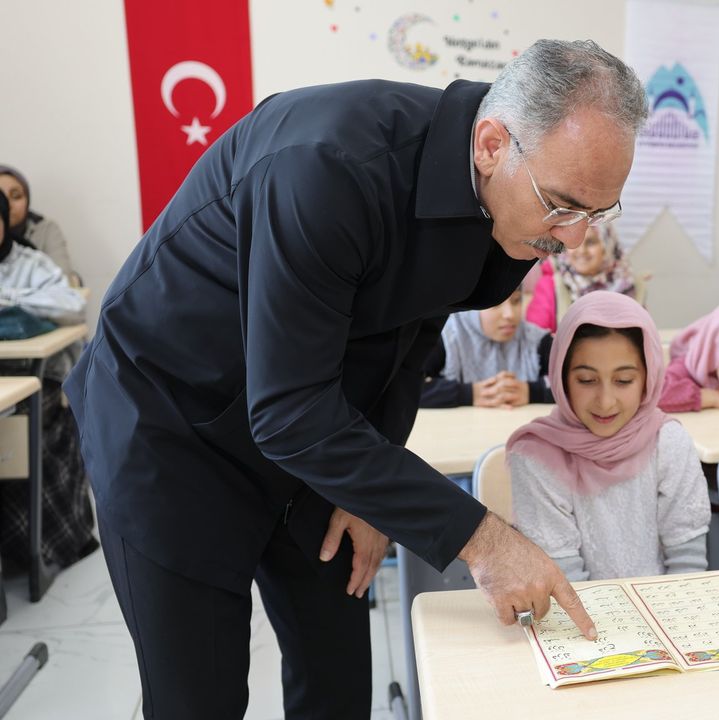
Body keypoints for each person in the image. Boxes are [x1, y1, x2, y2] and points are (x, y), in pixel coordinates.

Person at [64, 39, 646, 718]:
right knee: (200, 696)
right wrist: (483, 539)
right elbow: (287, 413)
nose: (574, 240)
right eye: (564, 206)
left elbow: (412, 338)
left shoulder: (512, 204)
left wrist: (374, 492)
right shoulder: (326, 167)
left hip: (316, 423)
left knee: (337, 679)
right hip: (172, 424)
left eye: (597, 214)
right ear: (492, 145)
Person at [508, 292, 710, 580]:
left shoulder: (667, 441)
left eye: (623, 381)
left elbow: (687, 565)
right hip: (575, 606)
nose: (605, 401)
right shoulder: (537, 456)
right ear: (561, 378)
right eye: (587, 380)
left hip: (666, 603)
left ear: (648, 379)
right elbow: (564, 581)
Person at [0, 193, 94, 574]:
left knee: (19, 429)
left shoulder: (30, 263)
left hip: (37, 380)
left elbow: (72, 304)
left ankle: (41, 545)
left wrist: (10, 297)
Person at [419, 288, 553, 408]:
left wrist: (532, 391)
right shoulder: (446, 338)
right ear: (470, 308)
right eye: (495, 304)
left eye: (516, 300)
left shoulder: (536, 339)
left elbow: (565, 380)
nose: (510, 314)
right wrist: (471, 394)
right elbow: (411, 387)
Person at [525, 223, 636, 332]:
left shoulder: (627, 283)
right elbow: (534, 338)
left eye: (591, 242)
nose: (582, 251)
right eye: (575, 243)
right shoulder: (551, 286)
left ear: (607, 245)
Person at [0, 165, 77, 280]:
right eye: (1, 197)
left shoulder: (34, 255)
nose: (7, 204)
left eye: (16, 196)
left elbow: (61, 278)